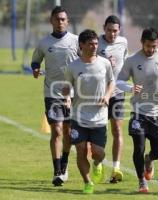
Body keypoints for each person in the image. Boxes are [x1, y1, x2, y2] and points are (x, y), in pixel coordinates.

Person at [116, 27, 158, 193]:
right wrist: (130, 88)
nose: (151, 50)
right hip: (139, 111)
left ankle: (149, 160)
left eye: (154, 46)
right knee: (138, 147)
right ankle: (141, 181)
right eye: (148, 46)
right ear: (142, 43)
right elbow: (119, 81)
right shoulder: (132, 60)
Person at [31, 6, 79, 186]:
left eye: (63, 19)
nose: (60, 22)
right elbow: (36, 59)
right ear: (51, 21)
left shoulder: (75, 41)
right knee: (57, 131)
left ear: (68, 21)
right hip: (51, 93)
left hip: (73, 94)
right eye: (57, 19)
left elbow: (87, 60)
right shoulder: (44, 42)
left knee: (68, 133)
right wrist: (35, 68)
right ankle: (57, 170)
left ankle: (65, 164)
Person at [63, 29, 114, 194]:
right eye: (91, 44)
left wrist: (107, 96)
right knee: (81, 150)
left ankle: (98, 164)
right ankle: (87, 182)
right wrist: (67, 97)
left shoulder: (104, 63)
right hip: (78, 116)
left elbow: (112, 82)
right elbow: (66, 87)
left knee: (98, 153)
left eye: (96, 43)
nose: (94, 46)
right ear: (82, 45)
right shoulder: (72, 67)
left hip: (99, 116)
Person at [97, 15, 128, 183]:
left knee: (117, 129)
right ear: (104, 28)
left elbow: (125, 62)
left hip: (117, 93)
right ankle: (98, 164)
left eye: (115, 30)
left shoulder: (123, 43)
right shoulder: (96, 43)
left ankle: (116, 168)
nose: (112, 34)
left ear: (119, 30)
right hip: (98, 95)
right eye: (109, 30)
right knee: (99, 133)